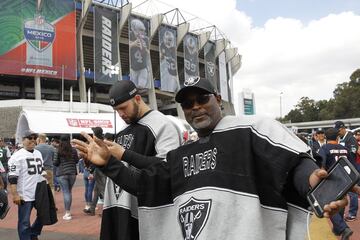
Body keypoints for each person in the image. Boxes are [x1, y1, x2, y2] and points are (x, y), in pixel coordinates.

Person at [73, 77, 348, 240]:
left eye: (202, 99)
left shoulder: (250, 128)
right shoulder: (184, 154)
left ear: (218, 98)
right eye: (188, 104)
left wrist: (311, 181)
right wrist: (109, 163)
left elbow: (294, 163)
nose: (196, 108)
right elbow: (147, 183)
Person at [96, 80, 181, 240]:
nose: (120, 114)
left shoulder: (162, 124)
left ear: (137, 99)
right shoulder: (122, 130)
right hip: (117, 209)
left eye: (123, 108)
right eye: (116, 110)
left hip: (144, 214)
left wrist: (125, 154)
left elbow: (169, 168)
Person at [8, 130, 45, 240]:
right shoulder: (17, 156)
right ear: (23, 140)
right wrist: (15, 194)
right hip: (25, 194)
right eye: (30, 138)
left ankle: (33, 233)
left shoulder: (38, 153)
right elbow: (13, 177)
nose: (33, 140)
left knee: (44, 216)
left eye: (35, 138)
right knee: (24, 221)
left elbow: (41, 171)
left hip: (39, 191)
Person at [317, 127, 353, 239]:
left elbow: (321, 165)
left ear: (326, 138)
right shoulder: (345, 149)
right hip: (345, 179)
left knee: (328, 205)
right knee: (340, 203)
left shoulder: (324, 148)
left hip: (331, 180)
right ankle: (338, 229)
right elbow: (352, 165)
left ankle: (343, 228)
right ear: (338, 137)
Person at [335, 121, 359, 222]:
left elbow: (352, 152)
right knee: (344, 191)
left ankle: (352, 214)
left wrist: (341, 150)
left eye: (339, 130)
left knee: (352, 192)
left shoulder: (351, 138)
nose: (338, 132)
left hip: (352, 168)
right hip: (344, 168)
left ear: (343, 128)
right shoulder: (340, 138)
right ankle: (342, 212)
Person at [54, 134, 79, 220]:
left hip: (62, 173)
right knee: (69, 191)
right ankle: (68, 212)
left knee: (66, 192)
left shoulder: (58, 150)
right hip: (72, 173)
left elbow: (55, 163)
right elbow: (76, 161)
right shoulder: (74, 150)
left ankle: (67, 213)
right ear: (69, 140)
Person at [129, 18, 151, 89]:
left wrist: (144, 48)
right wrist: (133, 44)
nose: (142, 32)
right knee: (133, 86)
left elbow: (147, 52)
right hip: (133, 67)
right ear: (134, 29)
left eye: (143, 30)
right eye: (140, 30)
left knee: (141, 85)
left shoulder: (145, 39)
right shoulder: (130, 35)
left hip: (142, 66)